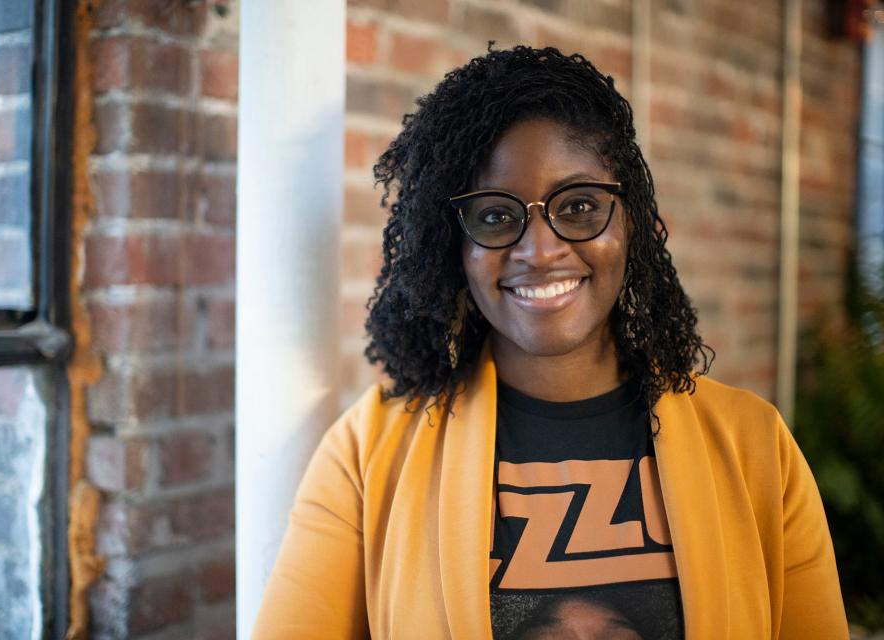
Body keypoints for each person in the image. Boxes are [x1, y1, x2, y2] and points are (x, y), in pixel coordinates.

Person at [252, 45, 848, 639]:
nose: (539, 251)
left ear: (630, 222)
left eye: (580, 205)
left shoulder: (753, 446)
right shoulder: (367, 455)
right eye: (494, 217)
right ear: (451, 247)